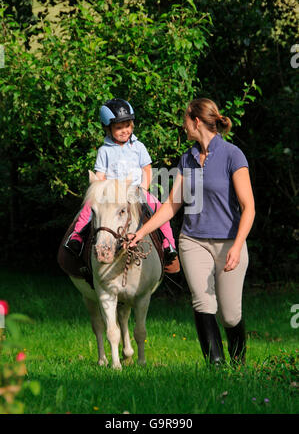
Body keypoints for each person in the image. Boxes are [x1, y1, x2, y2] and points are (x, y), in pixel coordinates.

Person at [129, 98, 255, 365]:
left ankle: (238, 365)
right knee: (203, 303)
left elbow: (249, 207)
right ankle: (216, 367)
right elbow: (172, 205)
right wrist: (140, 232)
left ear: (196, 121)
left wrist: (237, 245)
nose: (183, 126)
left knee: (231, 314)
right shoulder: (187, 158)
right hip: (193, 241)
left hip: (230, 243)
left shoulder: (233, 155)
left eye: (185, 120)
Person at [65, 98, 180, 274]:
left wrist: (142, 187)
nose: (124, 130)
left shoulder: (139, 147)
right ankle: (78, 237)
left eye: (127, 125)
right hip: (111, 194)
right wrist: (100, 190)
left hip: (134, 190)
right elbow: (100, 175)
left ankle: (168, 244)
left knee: (159, 207)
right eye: (119, 127)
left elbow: (147, 169)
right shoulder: (104, 150)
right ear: (108, 128)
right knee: (88, 208)